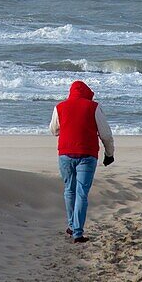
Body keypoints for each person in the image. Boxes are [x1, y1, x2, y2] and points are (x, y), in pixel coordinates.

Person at [48, 80, 115, 243]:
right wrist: (109, 153)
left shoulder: (60, 107)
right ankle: (77, 232)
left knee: (69, 190)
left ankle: (71, 226)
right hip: (87, 154)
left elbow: (53, 130)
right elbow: (105, 134)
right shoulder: (94, 107)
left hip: (65, 154)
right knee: (81, 193)